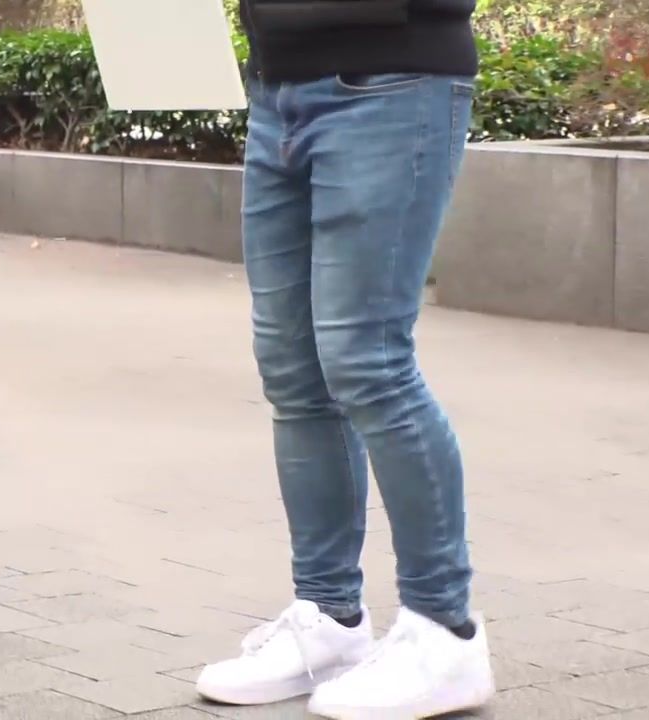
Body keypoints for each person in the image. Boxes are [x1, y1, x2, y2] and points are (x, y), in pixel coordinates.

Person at [196, 0, 496, 717]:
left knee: (370, 362)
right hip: (278, 89)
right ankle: (329, 619)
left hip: (392, 81)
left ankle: (445, 633)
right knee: (293, 371)